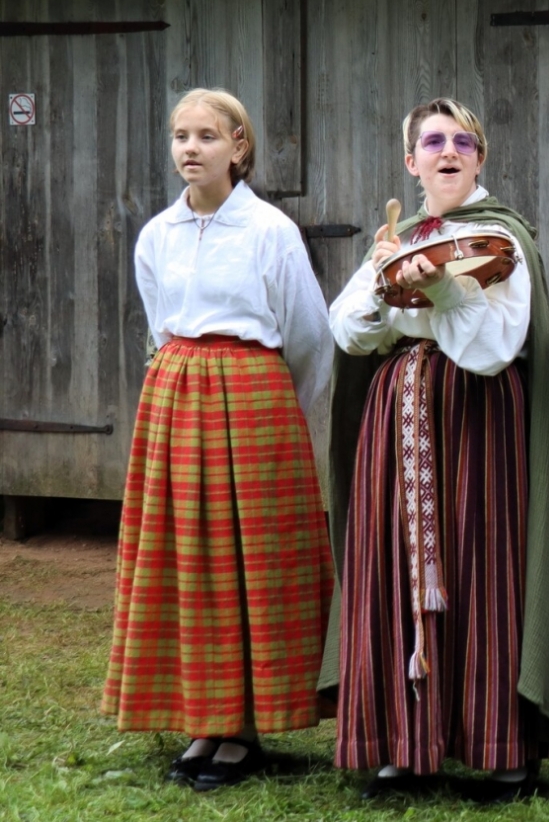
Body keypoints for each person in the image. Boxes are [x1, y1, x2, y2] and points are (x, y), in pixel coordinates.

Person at [324, 98, 549, 803]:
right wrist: (385, 281)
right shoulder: (401, 236)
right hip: (396, 420)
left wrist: (441, 290)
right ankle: (407, 744)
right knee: (396, 565)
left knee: (482, 564)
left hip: (477, 418)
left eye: (464, 141)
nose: (449, 150)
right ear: (411, 162)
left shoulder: (503, 240)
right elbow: (348, 331)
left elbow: (495, 348)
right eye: (432, 141)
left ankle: (502, 748)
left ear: (480, 158)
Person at [103, 88, 334, 792]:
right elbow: (160, 321)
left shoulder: (269, 231)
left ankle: (245, 727)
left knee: (252, 560)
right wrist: (185, 379)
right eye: (180, 135)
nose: (190, 148)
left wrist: (268, 409)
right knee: (189, 556)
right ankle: (206, 716)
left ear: (239, 145)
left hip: (256, 400)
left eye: (206, 134)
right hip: (175, 398)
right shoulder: (157, 235)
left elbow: (310, 338)